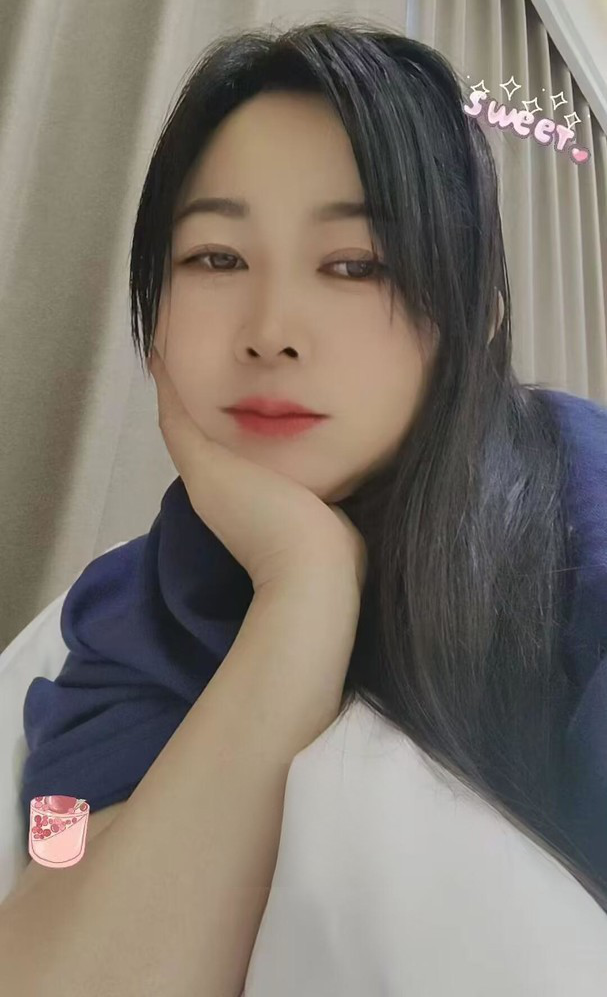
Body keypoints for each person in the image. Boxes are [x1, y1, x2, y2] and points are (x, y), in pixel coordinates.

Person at [2, 16, 607, 995]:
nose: (271, 330)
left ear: (477, 318)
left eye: (355, 263)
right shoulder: (131, 610)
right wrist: (305, 586)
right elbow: (63, 949)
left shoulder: (582, 516)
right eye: (215, 258)